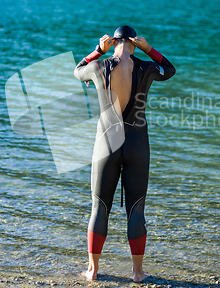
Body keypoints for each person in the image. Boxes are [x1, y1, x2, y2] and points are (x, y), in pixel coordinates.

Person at [74, 26, 176, 282]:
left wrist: (98, 50)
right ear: (134, 42)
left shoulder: (99, 68)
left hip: (106, 143)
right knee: (136, 210)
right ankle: (138, 273)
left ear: (114, 42)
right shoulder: (147, 68)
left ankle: (93, 271)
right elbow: (170, 70)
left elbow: (77, 70)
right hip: (137, 143)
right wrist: (149, 49)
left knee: (99, 208)